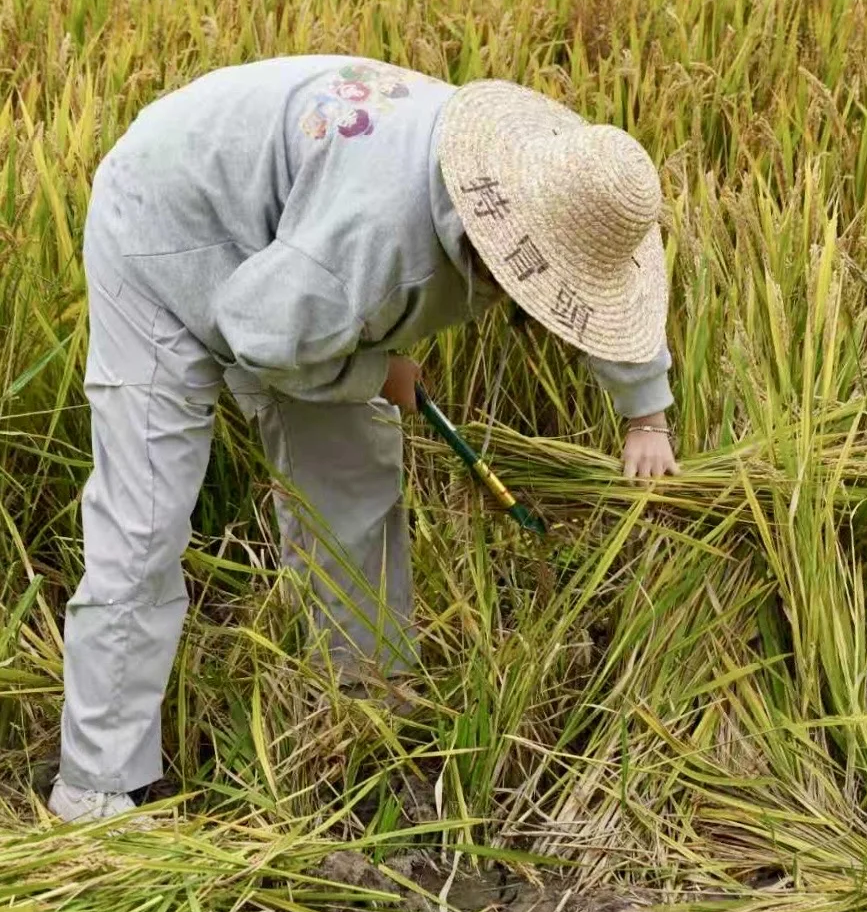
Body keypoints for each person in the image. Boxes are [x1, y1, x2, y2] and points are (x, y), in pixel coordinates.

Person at [49, 56, 679, 823]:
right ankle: (98, 788)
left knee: (353, 484)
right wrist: (377, 373)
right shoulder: (381, 247)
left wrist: (645, 415)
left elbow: (607, 282)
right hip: (168, 223)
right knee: (145, 517)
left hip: (293, 247)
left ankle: (366, 707)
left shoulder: (571, 175)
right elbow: (263, 335)